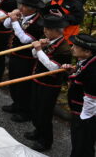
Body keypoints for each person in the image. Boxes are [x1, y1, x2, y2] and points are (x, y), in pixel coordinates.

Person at [26, 15, 72, 151]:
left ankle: (45, 141)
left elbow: (53, 68)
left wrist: (39, 50)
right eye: (45, 28)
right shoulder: (50, 40)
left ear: (57, 31)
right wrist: (37, 47)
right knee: (35, 108)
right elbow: (35, 55)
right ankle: (38, 131)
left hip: (50, 85)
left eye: (48, 29)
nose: (44, 30)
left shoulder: (64, 48)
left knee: (44, 113)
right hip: (38, 79)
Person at [2, 0, 46, 122]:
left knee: (24, 85)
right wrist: (11, 17)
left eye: (24, 6)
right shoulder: (23, 15)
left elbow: (24, 39)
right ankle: (16, 104)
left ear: (33, 9)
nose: (21, 8)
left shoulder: (38, 23)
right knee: (13, 81)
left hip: (27, 59)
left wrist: (15, 22)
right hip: (15, 54)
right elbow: (5, 25)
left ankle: (25, 111)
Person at [65, 33, 96, 157]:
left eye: (75, 47)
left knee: (82, 143)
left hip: (84, 114)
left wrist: (84, 119)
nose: (71, 48)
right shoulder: (85, 61)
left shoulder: (93, 72)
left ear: (87, 52)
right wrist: (71, 71)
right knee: (78, 141)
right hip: (79, 110)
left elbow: (92, 99)